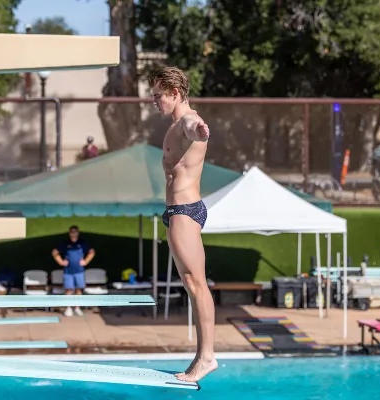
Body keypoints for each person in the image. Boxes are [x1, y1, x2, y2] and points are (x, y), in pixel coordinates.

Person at [148, 66, 217, 382]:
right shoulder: (175, 124)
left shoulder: (187, 121)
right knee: (192, 284)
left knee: (196, 284)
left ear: (174, 94)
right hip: (179, 211)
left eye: (157, 96)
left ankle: (206, 358)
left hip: (185, 211)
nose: (154, 102)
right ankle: (201, 358)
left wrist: (200, 130)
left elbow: (194, 126)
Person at [51, 225, 96, 317]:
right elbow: (54, 252)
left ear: (78, 233)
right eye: (72, 232)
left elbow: (92, 252)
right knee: (68, 290)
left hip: (79, 271)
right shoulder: (65, 243)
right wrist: (61, 262)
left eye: (75, 232)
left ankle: (77, 308)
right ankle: (68, 308)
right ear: (69, 233)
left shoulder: (82, 243)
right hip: (68, 271)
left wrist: (86, 261)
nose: (73, 233)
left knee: (79, 289)